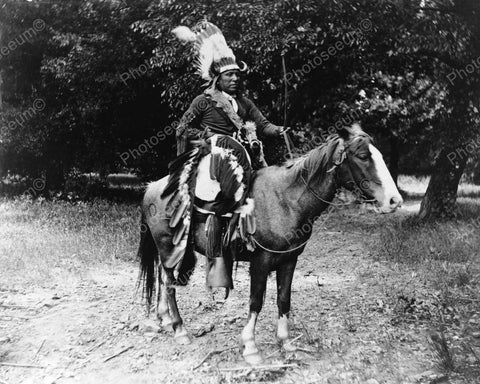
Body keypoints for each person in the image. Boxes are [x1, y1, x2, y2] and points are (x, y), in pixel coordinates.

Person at [166, 21, 286, 291]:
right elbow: (182, 128)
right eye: (229, 76)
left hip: (243, 156)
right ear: (217, 78)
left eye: (236, 75)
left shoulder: (244, 103)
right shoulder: (204, 101)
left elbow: (262, 124)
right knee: (223, 186)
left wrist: (278, 130)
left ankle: (256, 233)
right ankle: (216, 241)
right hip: (213, 156)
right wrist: (208, 137)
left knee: (265, 186)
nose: (235, 79)